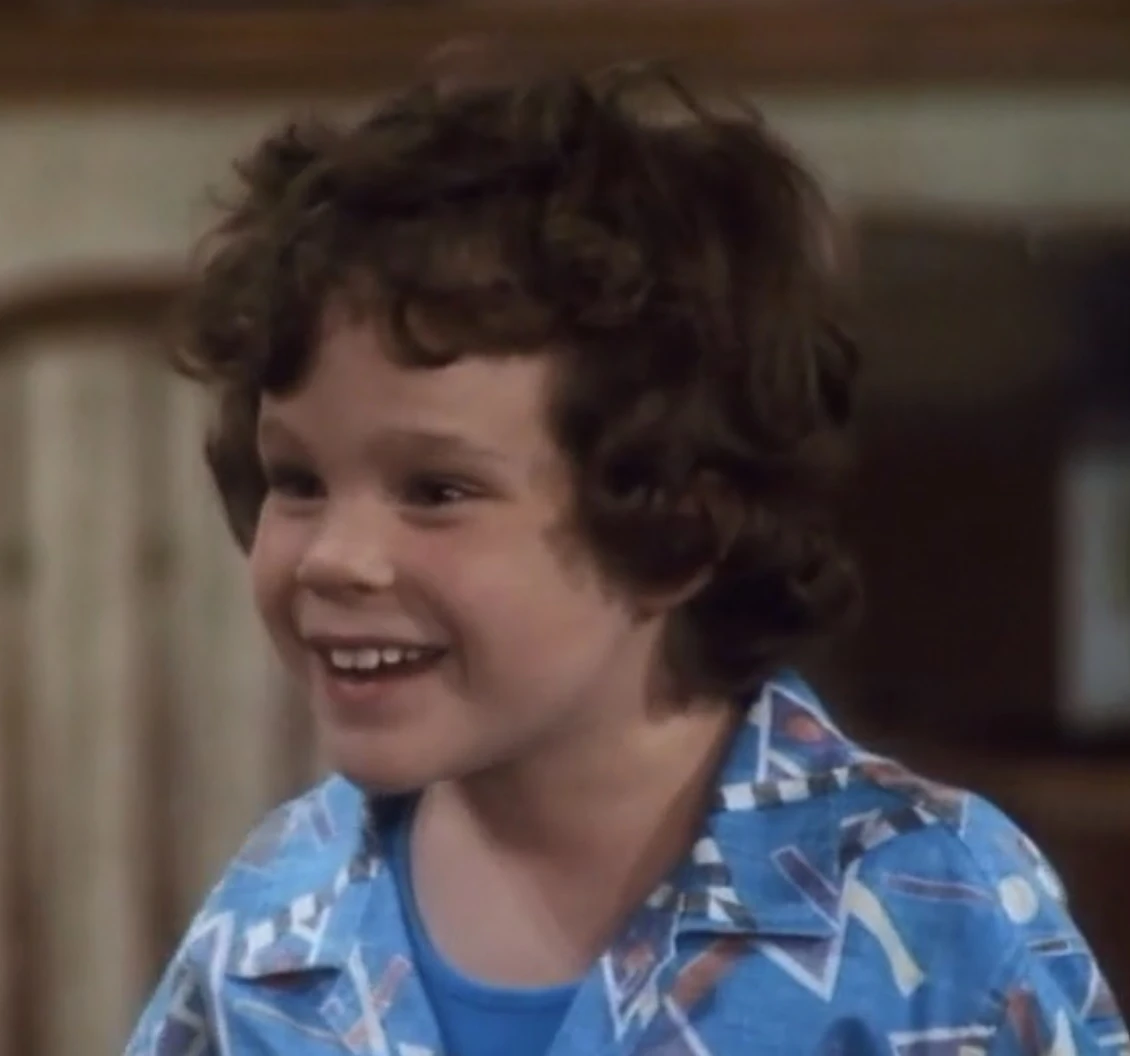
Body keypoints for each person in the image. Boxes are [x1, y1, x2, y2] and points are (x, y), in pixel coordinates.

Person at [124, 59, 1126, 1056]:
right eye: (298, 480)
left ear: (677, 526)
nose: (334, 559)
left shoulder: (936, 912)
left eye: (436, 491)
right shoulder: (268, 929)